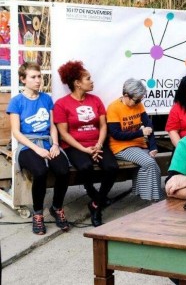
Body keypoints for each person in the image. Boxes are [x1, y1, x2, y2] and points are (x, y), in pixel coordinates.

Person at [8, 62, 70, 234]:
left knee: (64, 169)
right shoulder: (16, 102)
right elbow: (16, 133)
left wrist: (56, 145)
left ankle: (56, 208)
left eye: (39, 76)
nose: (38, 80)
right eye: (33, 77)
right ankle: (38, 214)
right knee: (40, 171)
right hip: (27, 146)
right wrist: (37, 150)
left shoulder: (46, 99)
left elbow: (52, 127)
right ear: (23, 79)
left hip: (48, 142)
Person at [54, 60, 118, 227]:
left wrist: (98, 144)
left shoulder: (95, 100)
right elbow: (63, 134)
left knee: (112, 167)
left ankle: (96, 205)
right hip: (75, 146)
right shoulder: (62, 104)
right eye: (88, 78)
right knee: (84, 167)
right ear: (77, 83)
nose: (92, 81)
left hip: (97, 143)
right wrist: (84, 149)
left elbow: (103, 125)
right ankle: (94, 195)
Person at [107, 78, 162, 201]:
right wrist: (140, 132)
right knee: (149, 163)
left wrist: (153, 147)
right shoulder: (113, 108)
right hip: (120, 147)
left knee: (154, 166)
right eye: (136, 100)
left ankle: (140, 193)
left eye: (140, 100)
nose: (138, 103)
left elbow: (149, 126)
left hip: (138, 145)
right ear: (126, 95)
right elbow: (116, 134)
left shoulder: (138, 104)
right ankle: (151, 199)